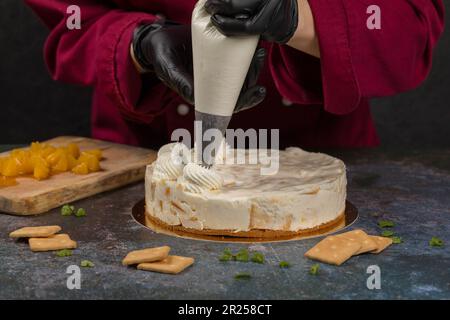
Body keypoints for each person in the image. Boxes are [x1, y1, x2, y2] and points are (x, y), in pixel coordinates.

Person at [25, 0, 444, 149]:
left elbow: (409, 27)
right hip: (142, 160)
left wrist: (298, 17)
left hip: (321, 159)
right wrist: (138, 43)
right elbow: (73, 19)